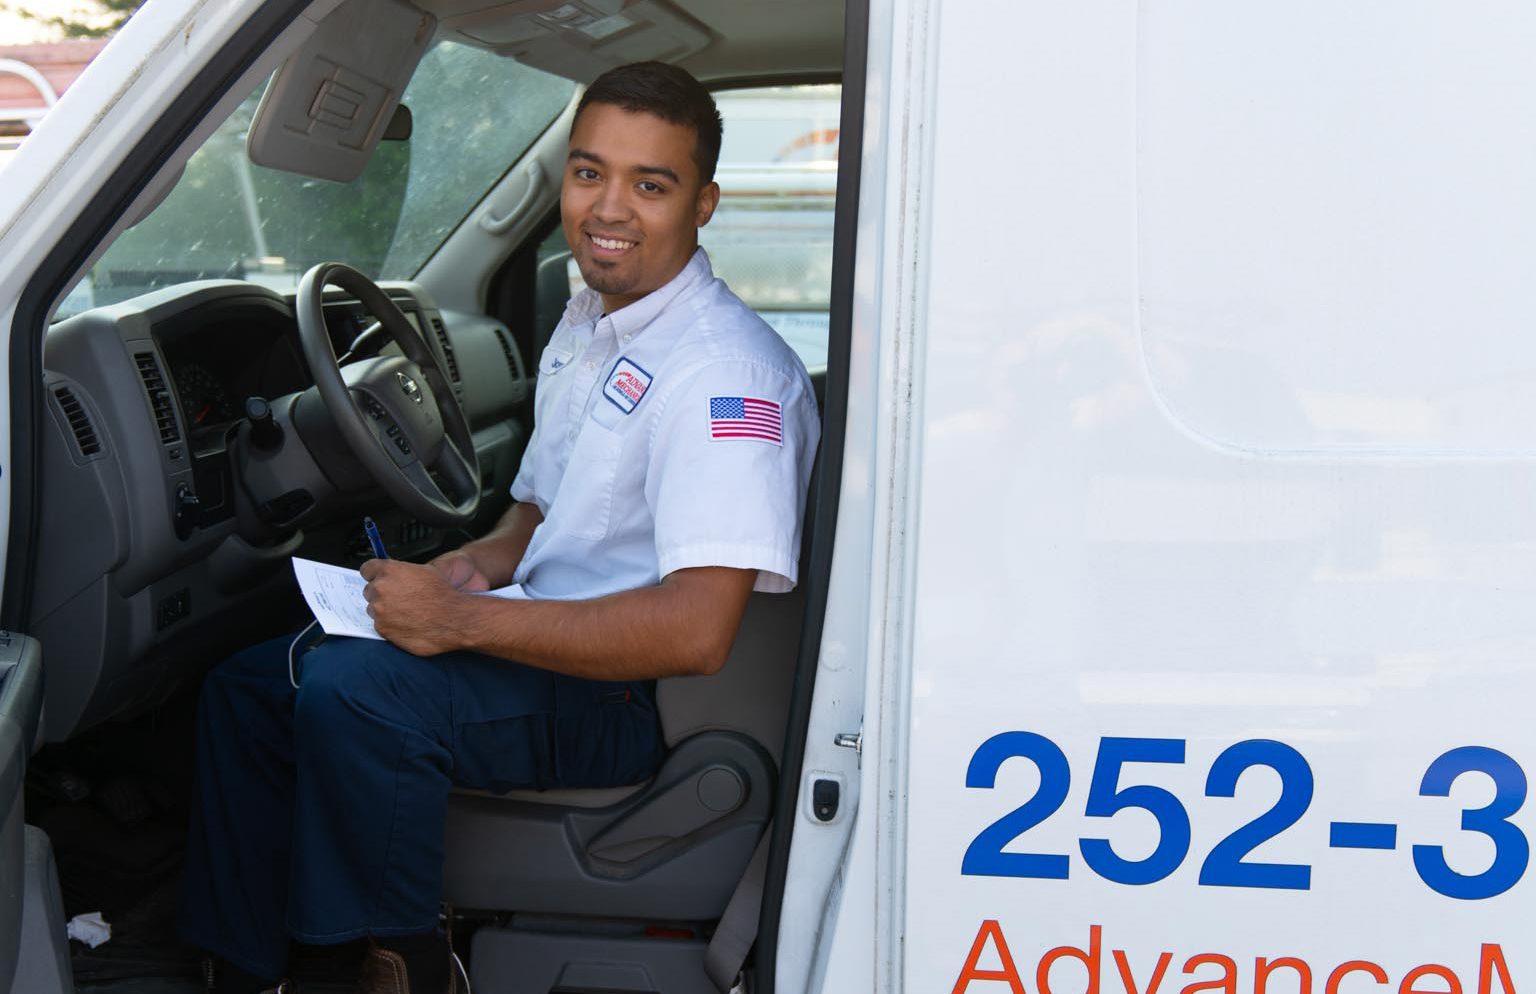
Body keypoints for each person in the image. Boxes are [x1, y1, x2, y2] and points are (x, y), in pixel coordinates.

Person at [178, 60, 820, 994]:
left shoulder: (724, 377)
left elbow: (695, 630)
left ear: (705, 203)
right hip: (536, 633)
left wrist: (461, 625)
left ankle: (389, 969)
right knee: (248, 685)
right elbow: (541, 510)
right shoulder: (597, 314)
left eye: (651, 184)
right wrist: (471, 569)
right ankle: (242, 971)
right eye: (590, 171)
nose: (608, 208)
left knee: (359, 692)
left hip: (621, 695)